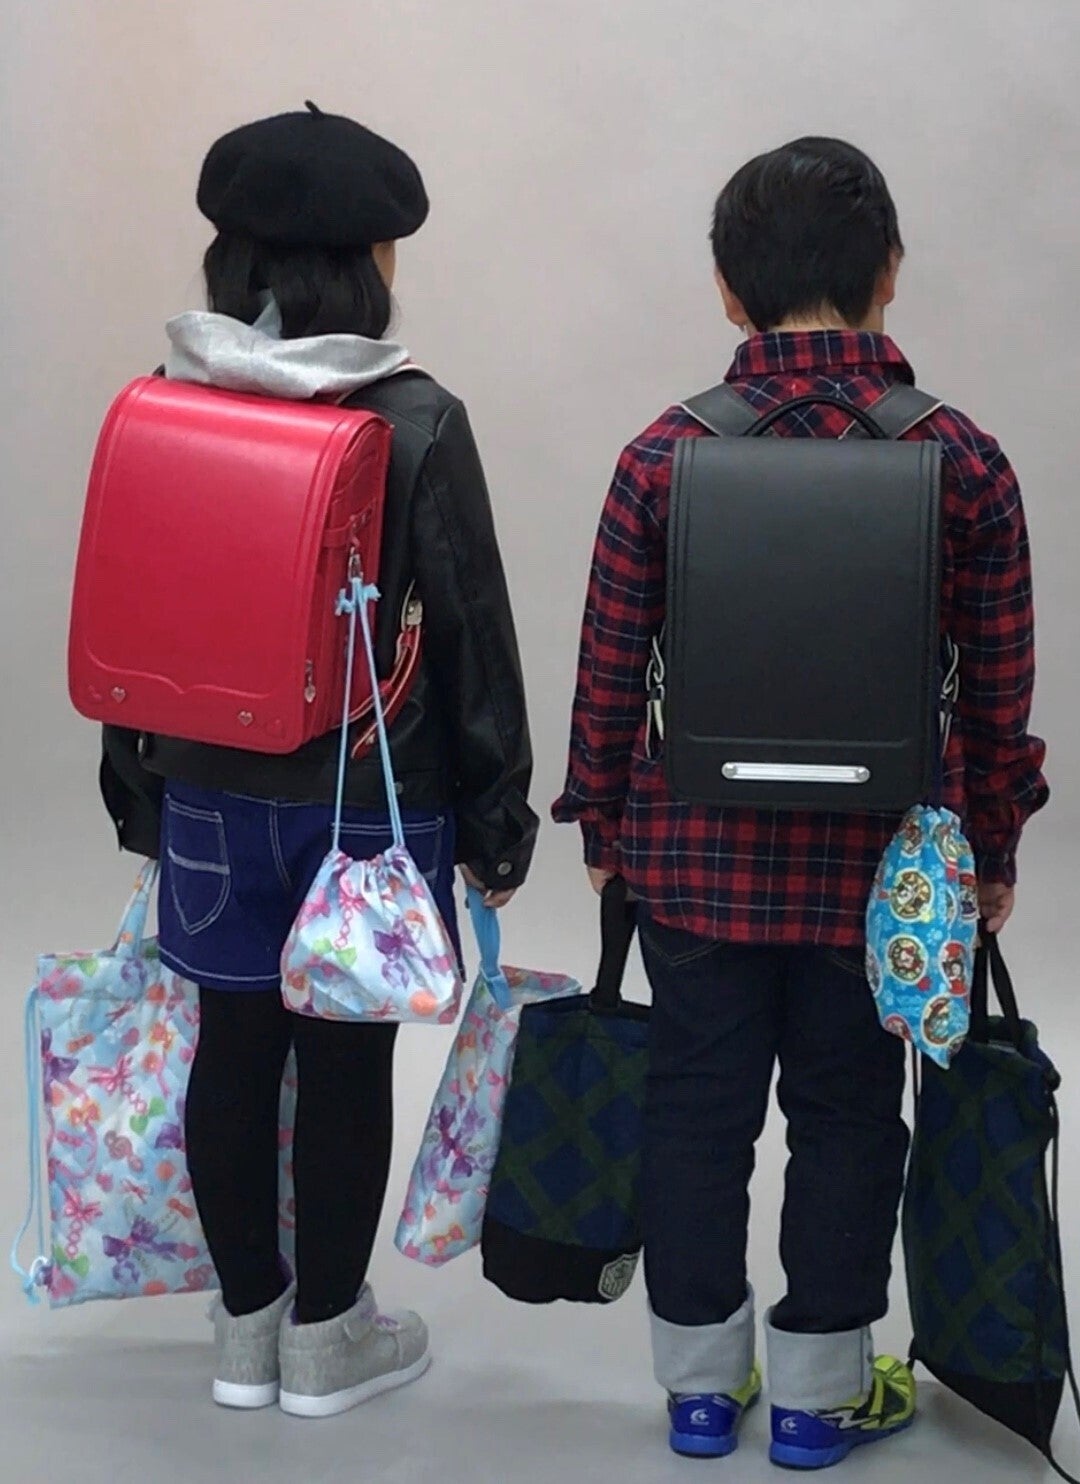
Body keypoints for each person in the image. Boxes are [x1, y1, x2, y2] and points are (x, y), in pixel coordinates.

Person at [554, 137, 1048, 1470]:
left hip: (692, 867)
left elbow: (610, 666)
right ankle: (822, 1397)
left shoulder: (661, 455)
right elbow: (997, 690)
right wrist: (993, 846)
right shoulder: (963, 457)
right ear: (890, 274)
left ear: (728, 289)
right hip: (884, 876)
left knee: (694, 1112)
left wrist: (602, 824)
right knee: (850, 1116)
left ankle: (699, 1392)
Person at [100, 104, 537, 1418]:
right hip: (372, 809)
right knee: (346, 1067)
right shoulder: (417, 419)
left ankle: (246, 1331)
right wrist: (499, 820)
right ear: (371, 266)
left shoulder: (169, 402)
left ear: (228, 261)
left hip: (209, 794)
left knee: (229, 1052)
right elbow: (471, 634)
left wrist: (139, 790)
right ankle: (331, 1338)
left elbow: (132, 612)